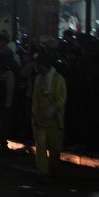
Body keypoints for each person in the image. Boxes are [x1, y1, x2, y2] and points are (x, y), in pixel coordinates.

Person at [32, 53, 67, 183]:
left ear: (43, 65)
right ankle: (43, 173)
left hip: (54, 121)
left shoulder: (58, 79)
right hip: (40, 121)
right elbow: (35, 100)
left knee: (55, 149)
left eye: (38, 65)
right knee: (41, 148)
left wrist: (49, 112)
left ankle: (52, 171)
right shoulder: (39, 79)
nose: (36, 67)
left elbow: (61, 100)